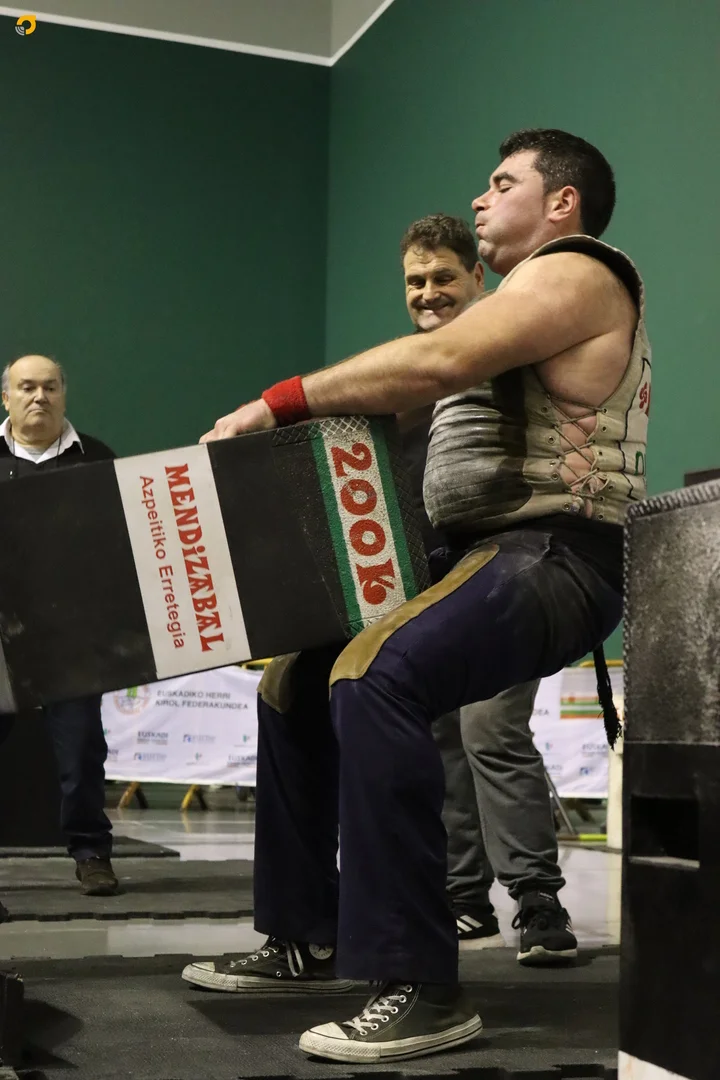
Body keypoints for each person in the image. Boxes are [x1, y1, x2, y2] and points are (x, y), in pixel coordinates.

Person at [188, 128, 649, 1063]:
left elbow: (432, 366)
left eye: (502, 183)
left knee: (376, 674)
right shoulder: (511, 306)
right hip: (476, 556)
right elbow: (398, 390)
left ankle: (421, 984)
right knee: (294, 683)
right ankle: (305, 936)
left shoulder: (578, 271)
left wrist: (273, 402)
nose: (481, 199)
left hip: (558, 555)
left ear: (561, 202)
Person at [399, 213, 576, 962]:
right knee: (441, 734)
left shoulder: (513, 347)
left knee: (490, 730)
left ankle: (537, 899)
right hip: (432, 583)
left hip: (511, 571)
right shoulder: (409, 374)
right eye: (415, 281)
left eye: (443, 276)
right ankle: (464, 899)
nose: (429, 292)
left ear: (478, 276)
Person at [0, 354, 119, 897]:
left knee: (81, 750)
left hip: (73, 636)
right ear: (6, 397)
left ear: (63, 395)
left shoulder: (97, 458)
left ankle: (92, 853)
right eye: (26, 387)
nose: (38, 397)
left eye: (49, 387)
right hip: (0, 637)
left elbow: (119, 543)